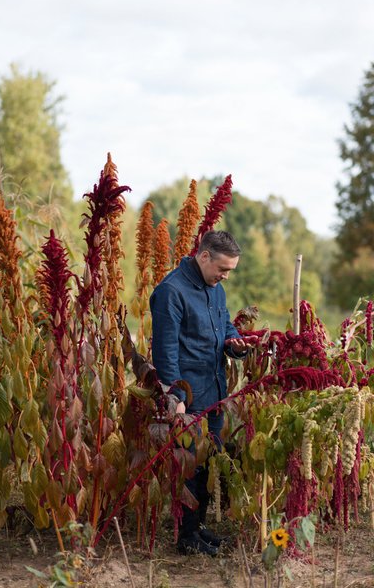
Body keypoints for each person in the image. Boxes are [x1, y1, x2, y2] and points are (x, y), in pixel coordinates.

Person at [150, 230, 247, 556]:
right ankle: (186, 537)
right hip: (189, 400)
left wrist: (234, 343)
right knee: (188, 468)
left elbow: (225, 325)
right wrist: (175, 400)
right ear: (203, 256)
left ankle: (197, 528)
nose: (225, 276)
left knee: (205, 465)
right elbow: (165, 353)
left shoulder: (214, 289)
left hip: (214, 392)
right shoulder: (170, 292)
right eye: (223, 268)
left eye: (230, 270)